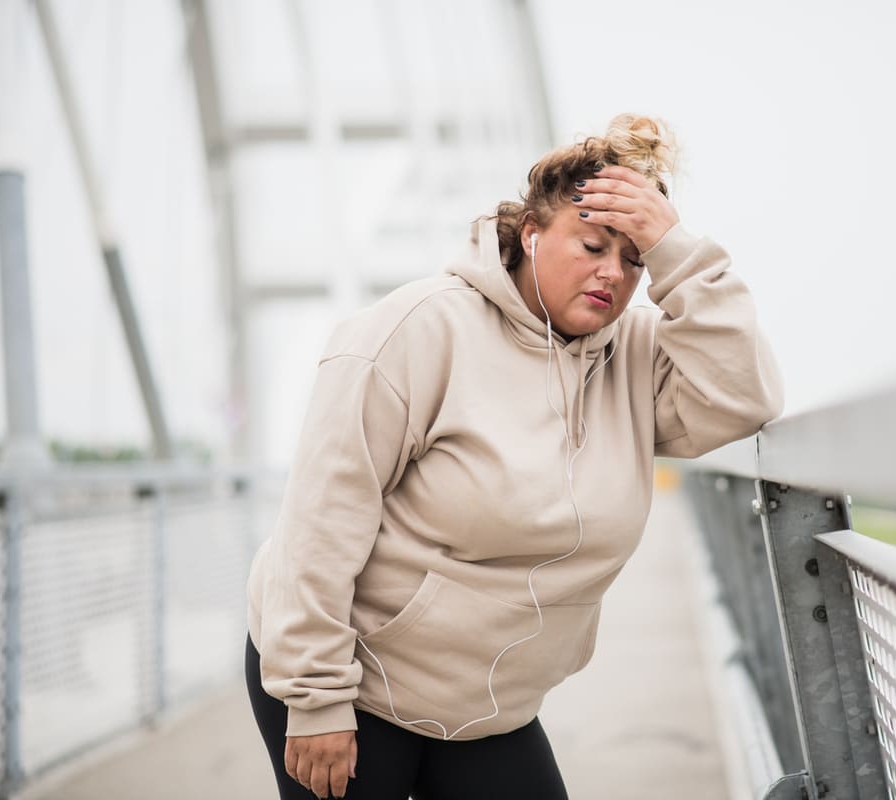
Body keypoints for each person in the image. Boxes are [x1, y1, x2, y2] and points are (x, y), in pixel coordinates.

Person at [244, 113, 785, 799]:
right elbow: (317, 524)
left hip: (488, 712)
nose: (612, 274)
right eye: (591, 245)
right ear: (531, 235)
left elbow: (746, 397)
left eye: (635, 258)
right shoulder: (418, 331)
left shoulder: (636, 357)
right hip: (356, 686)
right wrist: (316, 697)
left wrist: (678, 250)